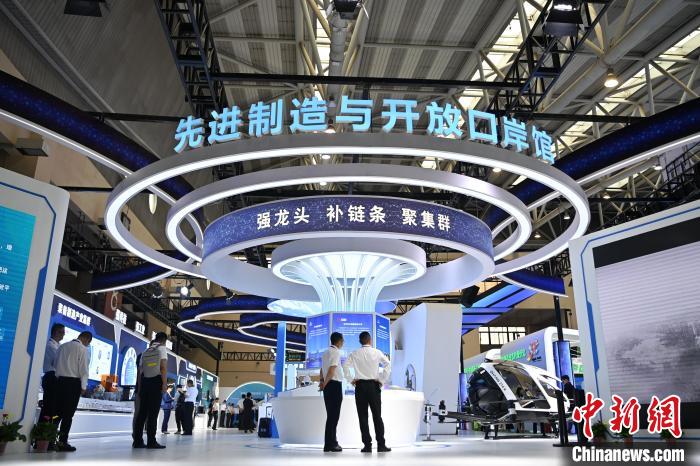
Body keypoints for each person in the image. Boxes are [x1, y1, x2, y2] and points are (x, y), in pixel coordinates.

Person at [343, 331, 392, 453]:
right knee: (377, 416)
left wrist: (351, 380)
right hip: (373, 386)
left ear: (360, 341)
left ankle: (367, 446)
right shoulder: (377, 352)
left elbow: (345, 366)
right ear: (370, 340)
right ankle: (381, 445)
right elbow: (387, 364)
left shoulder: (354, 353)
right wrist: (382, 379)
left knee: (363, 417)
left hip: (360, 387)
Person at [55, 331, 92, 452]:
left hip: (59, 382)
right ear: (87, 340)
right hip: (73, 384)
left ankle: (50, 440)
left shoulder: (62, 346)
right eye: (88, 344)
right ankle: (62, 442)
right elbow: (84, 370)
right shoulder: (83, 349)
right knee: (68, 415)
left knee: (57, 413)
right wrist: (83, 387)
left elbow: (55, 364)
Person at [132, 332, 168, 449]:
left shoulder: (146, 351)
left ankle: (137, 441)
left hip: (145, 382)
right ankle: (151, 441)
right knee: (153, 413)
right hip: (155, 382)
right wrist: (164, 384)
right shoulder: (162, 349)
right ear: (164, 340)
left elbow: (140, 371)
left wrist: (140, 387)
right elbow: (163, 367)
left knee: (142, 413)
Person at [319, 332, 344, 453]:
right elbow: (332, 369)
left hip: (328, 386)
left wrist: (322, 381)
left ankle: (329, 444)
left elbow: (322, 369)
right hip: (334, 385)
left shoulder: (325, 352)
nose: (343, 343)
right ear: (339, 341)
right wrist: (325, 383)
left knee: (331, 416)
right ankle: (332, 444)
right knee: (334, 417)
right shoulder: (336, 352)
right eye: (342, 341)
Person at [40, 324, 65, 434]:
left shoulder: (58, 346)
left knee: (54, 409)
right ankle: (43, 435)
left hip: (55, 378)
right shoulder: (51, 346)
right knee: (49, 408)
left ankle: (48, 435)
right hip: (51, 377)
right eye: (62, 332)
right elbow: (57, 362)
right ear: (56, 332)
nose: (63, 334)